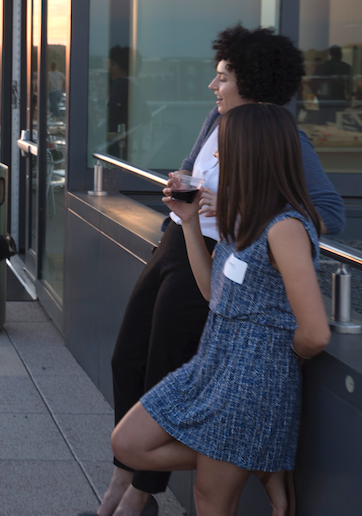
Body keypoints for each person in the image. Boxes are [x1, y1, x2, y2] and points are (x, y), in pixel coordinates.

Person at [93, 25, 345, 516]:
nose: (213, 86)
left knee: (208, 489)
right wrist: (188, 209)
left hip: (240, 325)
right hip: (192, 255)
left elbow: (313, 322)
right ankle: (241, 460)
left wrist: (241, 208)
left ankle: (137, 496)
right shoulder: (220, 122)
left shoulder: (279, 166)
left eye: (223, 76)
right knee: (128, 362)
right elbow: (193, 176)